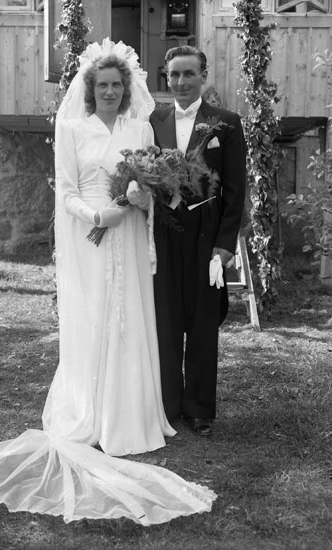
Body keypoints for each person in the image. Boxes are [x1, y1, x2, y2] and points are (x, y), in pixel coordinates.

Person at [0, 39, 216, 525]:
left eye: (117, 85)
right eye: (103, 85)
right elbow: (66, 192)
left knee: (130, 316)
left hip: (128, 235)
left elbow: (156, 187)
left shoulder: (139, 127)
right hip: (91, 236)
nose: (110, 92)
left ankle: (131, 416)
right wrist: (97, 215)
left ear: (126, 88)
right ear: (91, 90)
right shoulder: (71, 128)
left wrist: (140, 198)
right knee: (95, 317)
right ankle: (91, 411)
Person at [150, 46, 246, 436]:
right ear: (167, 77)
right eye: (174, 74)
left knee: (203, 321)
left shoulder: (226, 123)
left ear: (203, 76)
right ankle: (168, 405)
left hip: (207, 231)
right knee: (166, 318)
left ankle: (200, 408)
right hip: (165, 230)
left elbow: (236, 190)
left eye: (189, 74)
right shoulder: (153, 120)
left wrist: (225, 245)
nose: (181, 82)